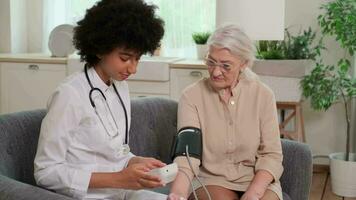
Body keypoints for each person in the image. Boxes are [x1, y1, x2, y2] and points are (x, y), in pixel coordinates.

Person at [34, 0, 167, 199]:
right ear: (99, 49)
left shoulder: (120, 86)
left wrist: (134, 161)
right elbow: (46, 172)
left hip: (122, 192)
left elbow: (114, 153)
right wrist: (119, 179)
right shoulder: (69, 95)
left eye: (137, 58)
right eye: (125, 58)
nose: (133, 69)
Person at [168, 24, 284, 200]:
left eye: (226, 66)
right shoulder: (191, 96)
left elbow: (271, 154)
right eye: (211, 62)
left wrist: (253, 194)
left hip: (257, 179)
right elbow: (187, 155)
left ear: (243, 64)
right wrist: (177, 194)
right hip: (212, 180)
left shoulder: (263, 95)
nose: (215, 72)